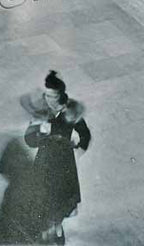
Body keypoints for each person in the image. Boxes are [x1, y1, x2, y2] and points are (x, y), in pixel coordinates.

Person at [20, 71, 91, 245]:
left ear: (60, 95)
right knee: (43, 198)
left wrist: (79, 148)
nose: (48, 99)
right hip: (44, 161)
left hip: (63, 163)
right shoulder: (42, 112)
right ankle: (46, 232)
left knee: (60, 199)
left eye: (52, 95)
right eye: (46, 95)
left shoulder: (70, 111)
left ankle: (57, 231)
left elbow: (85, 133)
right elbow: (28, 139)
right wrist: (40, 133)